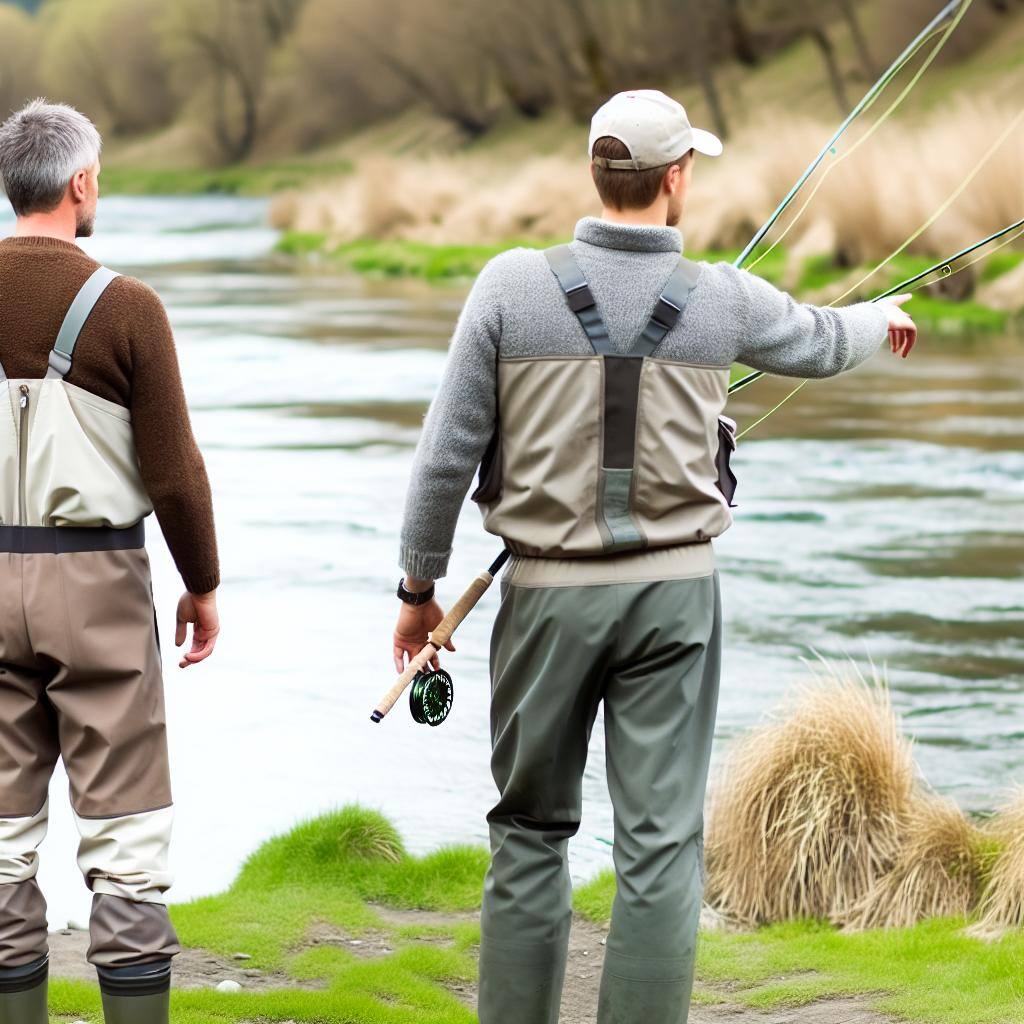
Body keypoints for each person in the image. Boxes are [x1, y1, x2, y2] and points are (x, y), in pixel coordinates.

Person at [393, 89, 918, 1024]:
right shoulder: (722, 297)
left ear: (596, 172)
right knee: (661, 848)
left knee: (527, 831)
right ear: (676, 176)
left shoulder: (509, 286)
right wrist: (887, 317)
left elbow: (443, 458)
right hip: (674, 600)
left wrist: (417, 589)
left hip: (544, 600)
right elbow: (826, 339)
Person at [0, 100, 221, 1024]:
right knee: (126, 834)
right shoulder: (126, 305)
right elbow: (174, 473)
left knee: (2, 837)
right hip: (97, 585)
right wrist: (202, 585)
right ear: (81, 183)